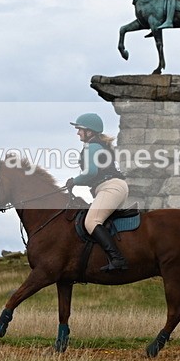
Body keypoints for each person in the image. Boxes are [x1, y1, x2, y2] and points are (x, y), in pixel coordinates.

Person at [66, 113, 129, 272]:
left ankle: (118, 259)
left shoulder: (92, 146)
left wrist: (73, 181)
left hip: (110, 187)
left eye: (80, 129)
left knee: (91, 222)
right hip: (115, 187)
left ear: (89, 131)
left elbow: (90, 173)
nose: (78, 133)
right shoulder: (98, 145)